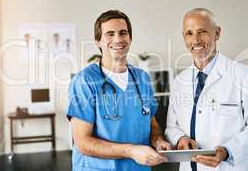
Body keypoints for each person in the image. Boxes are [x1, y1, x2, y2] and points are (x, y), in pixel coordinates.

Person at [165, 8, 248, 171]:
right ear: (184, 37)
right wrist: (180, 138)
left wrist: (227, 151)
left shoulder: (244, 75)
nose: (195, 40)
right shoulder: (179, 81)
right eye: (189, 33)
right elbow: (171, 127)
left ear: (216, 33)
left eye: (202, 32)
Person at [67, 10, 171, 171]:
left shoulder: (142, 78)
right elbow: (82, 142)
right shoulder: (85, 81)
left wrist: (158, 140)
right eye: (110, 34)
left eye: (123, 33)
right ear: (98, 41)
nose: (118, 39)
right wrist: (131, 151)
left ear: (130, 38)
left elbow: (152, 123)